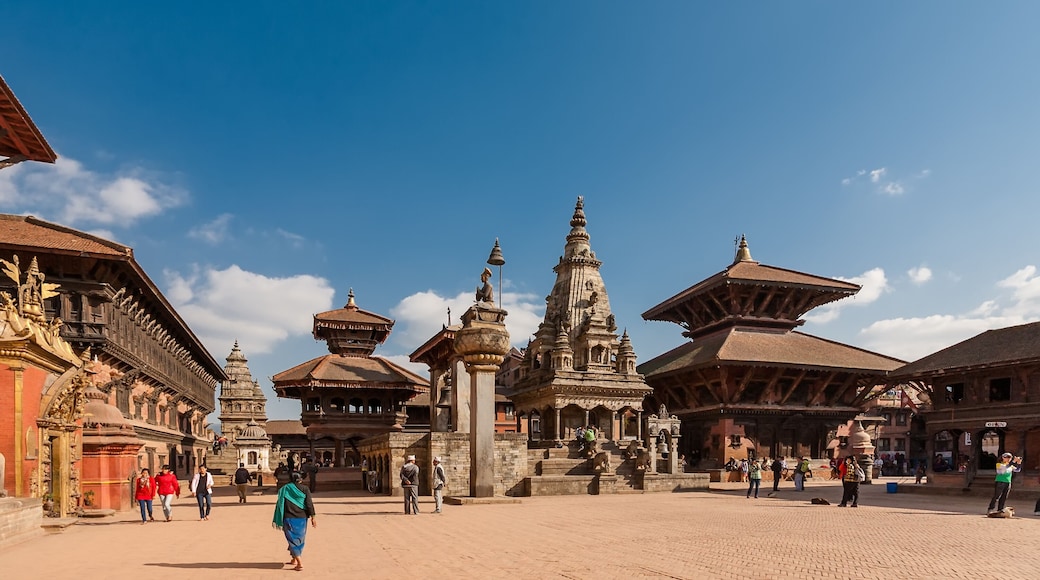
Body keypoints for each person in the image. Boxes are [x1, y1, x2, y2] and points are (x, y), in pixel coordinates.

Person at [273, 472, 316, 572]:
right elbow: (309, 504)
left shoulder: (284, 489)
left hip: (288, 518)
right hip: (302, 518)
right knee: (299, 538)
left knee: (292, 539)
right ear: (300, 479)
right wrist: (313, 517)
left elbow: (280, 505)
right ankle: (294, 558)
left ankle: (299, 562)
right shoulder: (305, 489)